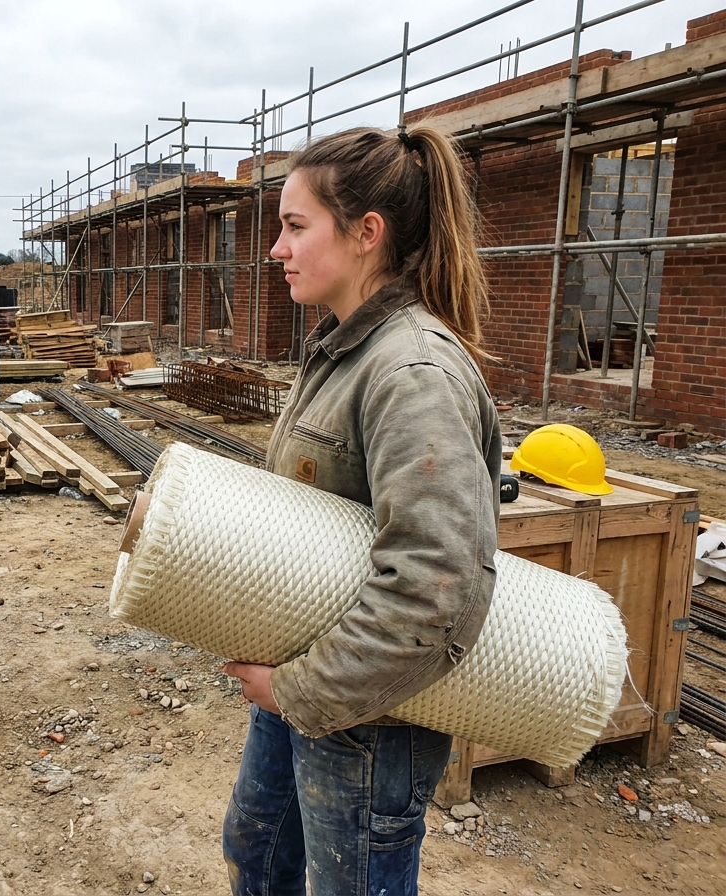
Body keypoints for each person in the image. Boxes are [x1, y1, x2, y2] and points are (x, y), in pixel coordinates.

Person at [221, 125, 502, 896]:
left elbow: (434, 586)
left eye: (295, 226)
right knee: (257, 849)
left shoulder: (410, 371)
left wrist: (300, 692)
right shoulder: (344, 348)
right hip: (308, 672)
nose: (276, 249)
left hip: (371, 714)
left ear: (366, 234)